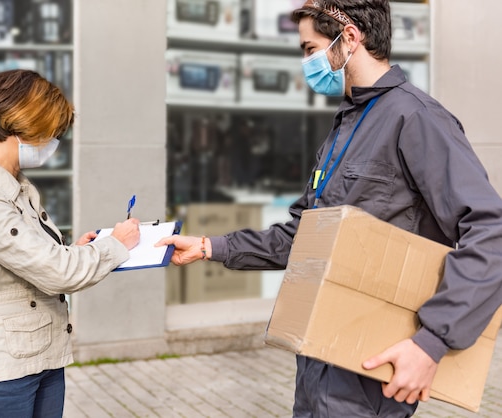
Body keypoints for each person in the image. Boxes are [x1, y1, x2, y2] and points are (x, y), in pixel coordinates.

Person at [156, 0, 502, 416]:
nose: (306, 61)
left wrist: (431, 343)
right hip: (320, 354)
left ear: (350, 38)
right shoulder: (346, 126)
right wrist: (212, 246)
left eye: (309, 48)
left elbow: (490, 232)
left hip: (371, 365)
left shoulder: (417, 119)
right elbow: (305, 236)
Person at [0, 69, 141, 417]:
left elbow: (35, 259)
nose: (53, 142)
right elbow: (56, 273)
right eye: (51, 132)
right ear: (24, 124)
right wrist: (116, 245)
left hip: (39, 359)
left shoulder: (15, 185)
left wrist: (78, 250)